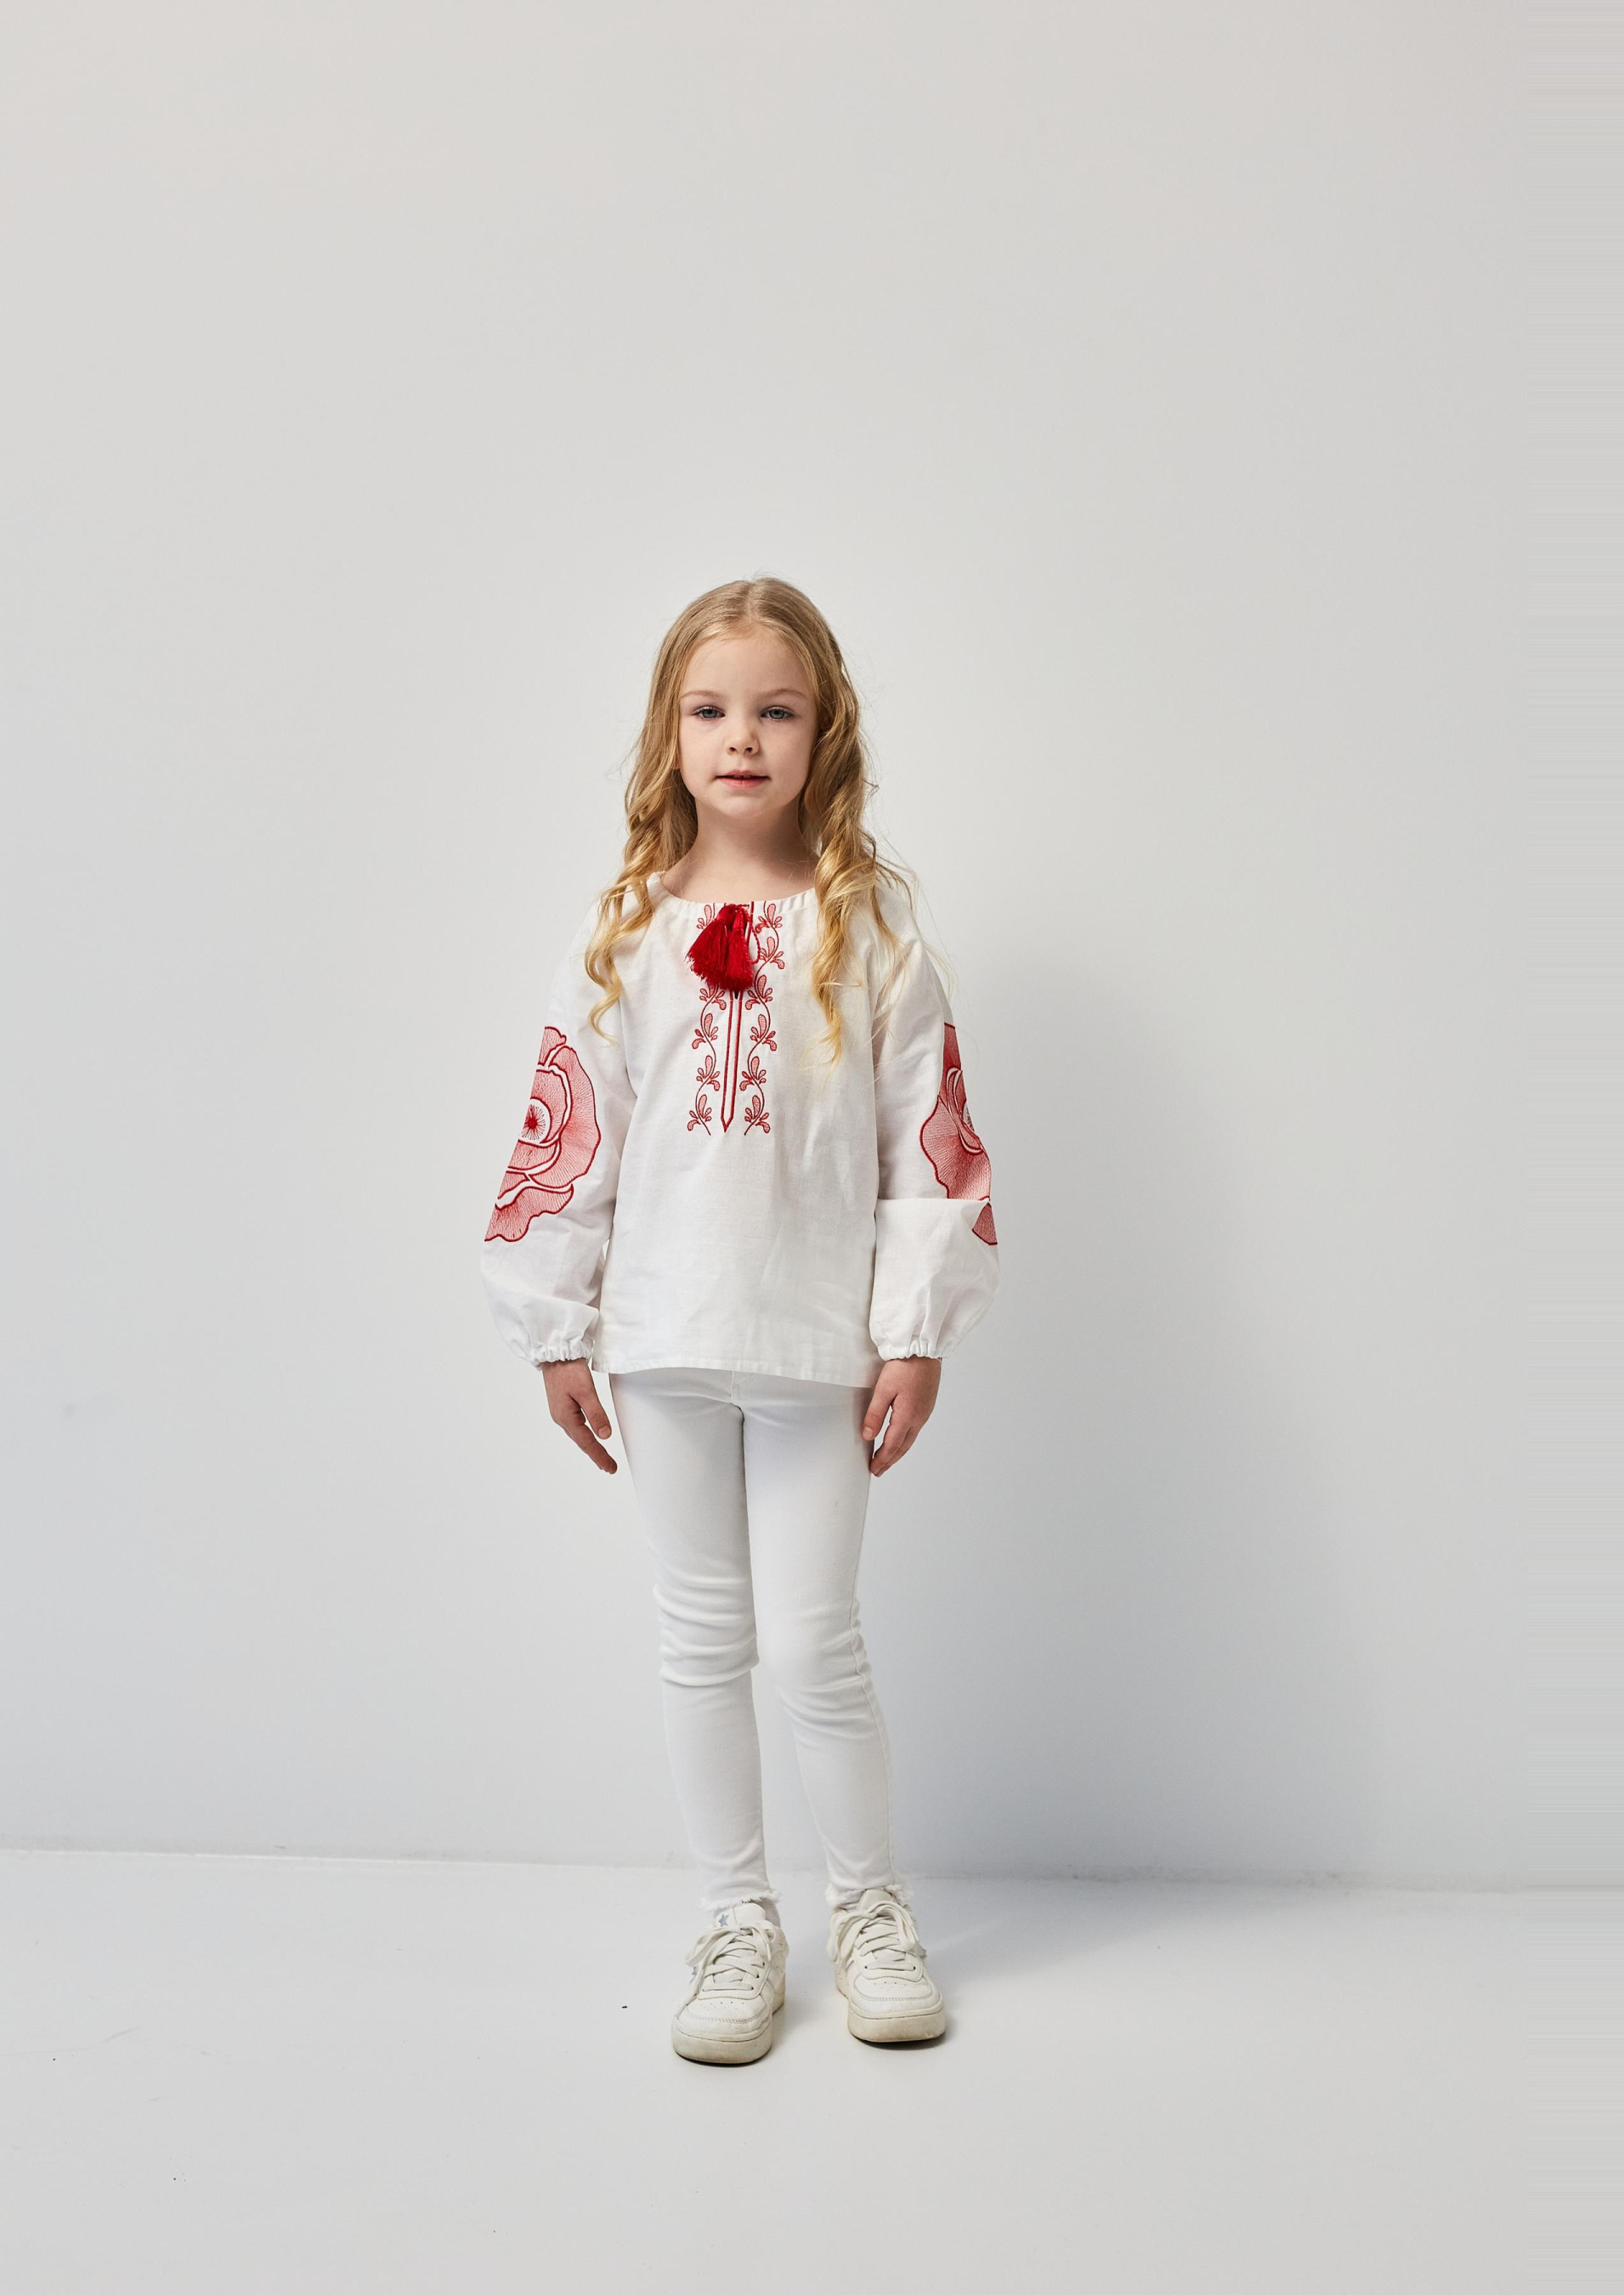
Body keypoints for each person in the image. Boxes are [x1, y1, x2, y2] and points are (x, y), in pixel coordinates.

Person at [481, 576, 999, 2064]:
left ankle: (869, 1909)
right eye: (710, 710)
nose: (742, 738)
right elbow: (570, 1133)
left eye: (776, 710)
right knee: (700, 1640)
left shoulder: (870, 928)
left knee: (815, 1641)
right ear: (669, 732)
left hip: (814, 1345)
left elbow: (927, 1141)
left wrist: (916, 1329)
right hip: (659, 1341)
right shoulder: (624, 934)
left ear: (823, 731)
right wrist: (554, 1325)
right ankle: (733, 1922)